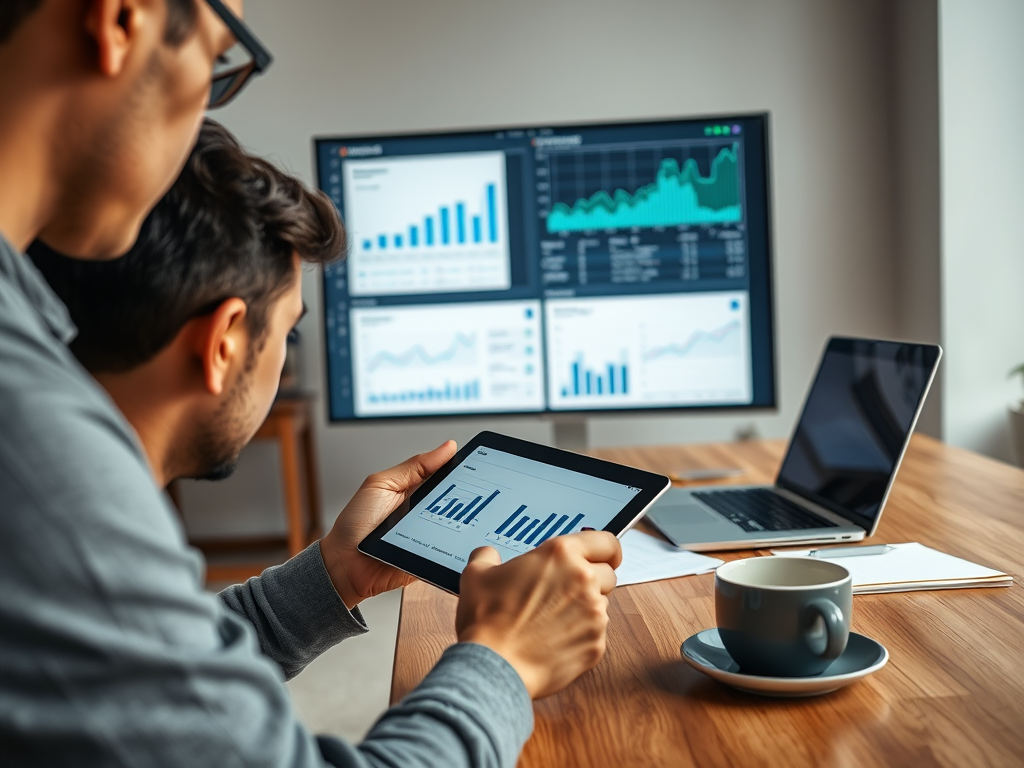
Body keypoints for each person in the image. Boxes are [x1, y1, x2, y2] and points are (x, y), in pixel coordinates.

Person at [0, 3, 623, 767]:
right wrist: (504, 660)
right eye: (222, 58)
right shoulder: (43, 450)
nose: (200, 99)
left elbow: (138, 678)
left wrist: (334, 575)